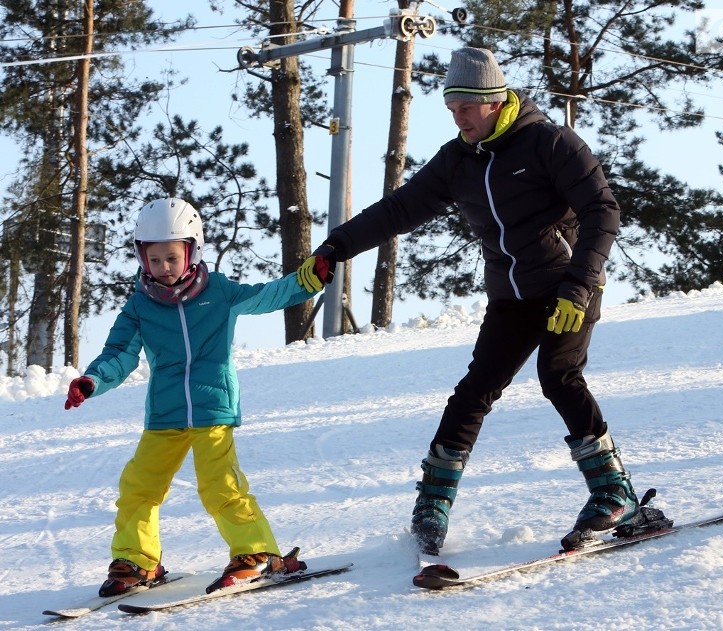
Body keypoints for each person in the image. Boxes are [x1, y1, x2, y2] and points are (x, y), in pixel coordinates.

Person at [297, 47, 660, 555]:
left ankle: (612, 492)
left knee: (559, 376)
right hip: (511, 295)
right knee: (473, 392)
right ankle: (433, 502)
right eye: (451, 107)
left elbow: (602, 209)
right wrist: (336, 246)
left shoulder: (548, 142)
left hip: (567, 287)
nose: (458, 117)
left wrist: (580, 284)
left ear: (494, 101)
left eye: (466, 106)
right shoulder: (457, 161)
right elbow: (400, 208)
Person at [65, 198, 314, 595]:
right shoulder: (139, 306)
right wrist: (92, 380)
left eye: (172, 257)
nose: (163, 267)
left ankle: (258, 552)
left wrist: (307, 280)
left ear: (192, 251)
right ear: (141, 257)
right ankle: (137, 560)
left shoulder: (219, 292)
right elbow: (119, 353)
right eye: (155, 258)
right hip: (165, 414)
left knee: (219, 485)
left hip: (213, 408)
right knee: (138, 487)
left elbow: (267, 295)